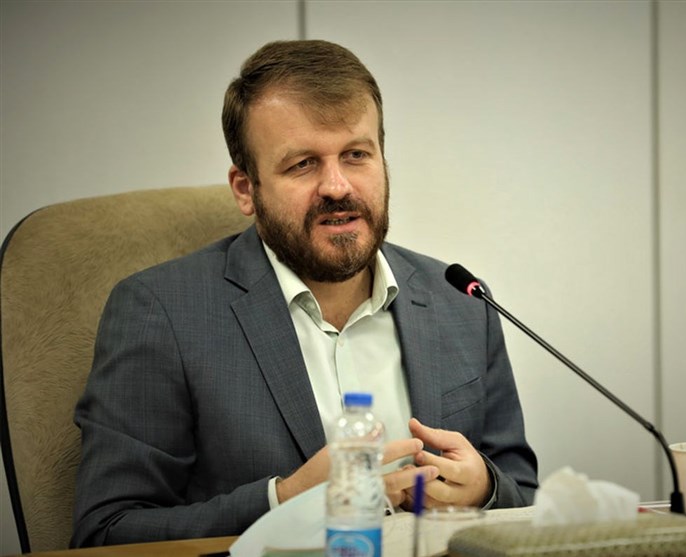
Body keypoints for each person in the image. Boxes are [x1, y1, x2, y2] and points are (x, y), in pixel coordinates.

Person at [71, 39, 538, 548]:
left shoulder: (461, 303)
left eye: (356, 155)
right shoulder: (161, 313)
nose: (337, 186)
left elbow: (524, 495)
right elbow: (107, 533)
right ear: (245, 189)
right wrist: (286, 501)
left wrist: (486, 490)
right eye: (303, 164)